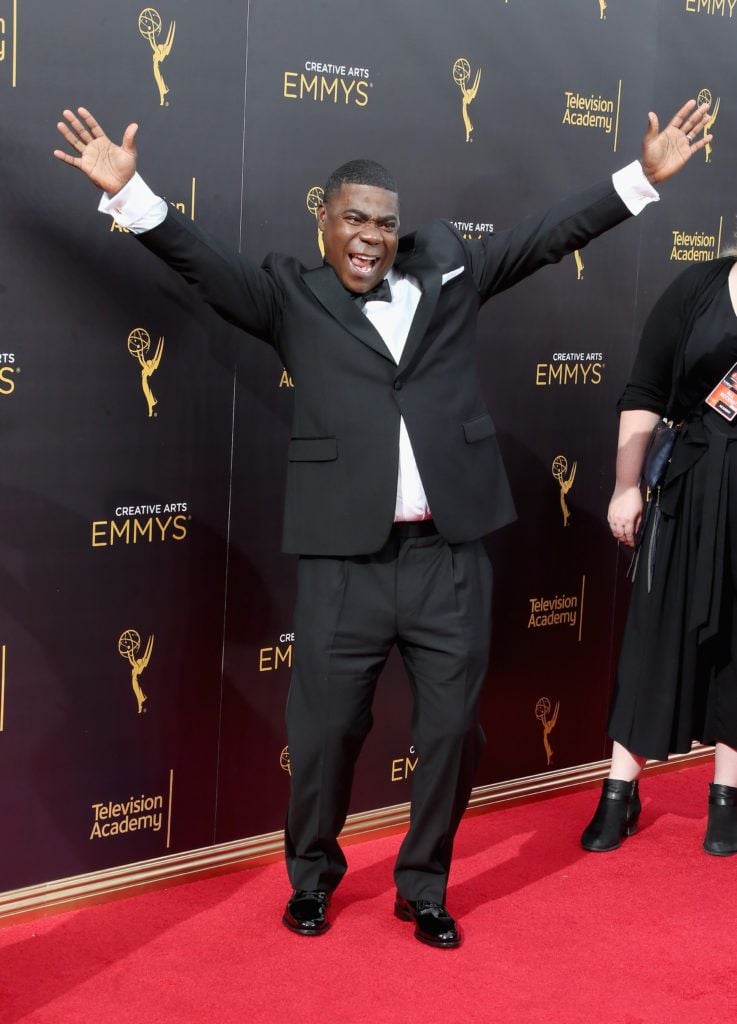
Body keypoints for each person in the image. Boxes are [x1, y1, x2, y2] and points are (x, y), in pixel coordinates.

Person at [54, 100, 710, 947]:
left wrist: (640, 179)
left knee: (449, 733)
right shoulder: (289, 295)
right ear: (324, 222)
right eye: (353, 219)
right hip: (343, 562)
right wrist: (130, 193)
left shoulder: (446, 268)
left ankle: (423, 886)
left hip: (449, 555)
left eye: (386, 223)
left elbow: (543, 236)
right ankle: (314, 878)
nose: (371, 235)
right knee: (324, 734)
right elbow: (200, 262)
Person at [581, 249, 737, 858]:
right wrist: (626, 485)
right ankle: (619, 790)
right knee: (651, 633)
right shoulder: (699, 286)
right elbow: (644, 388)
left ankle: (726, 794)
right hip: (689, 484)